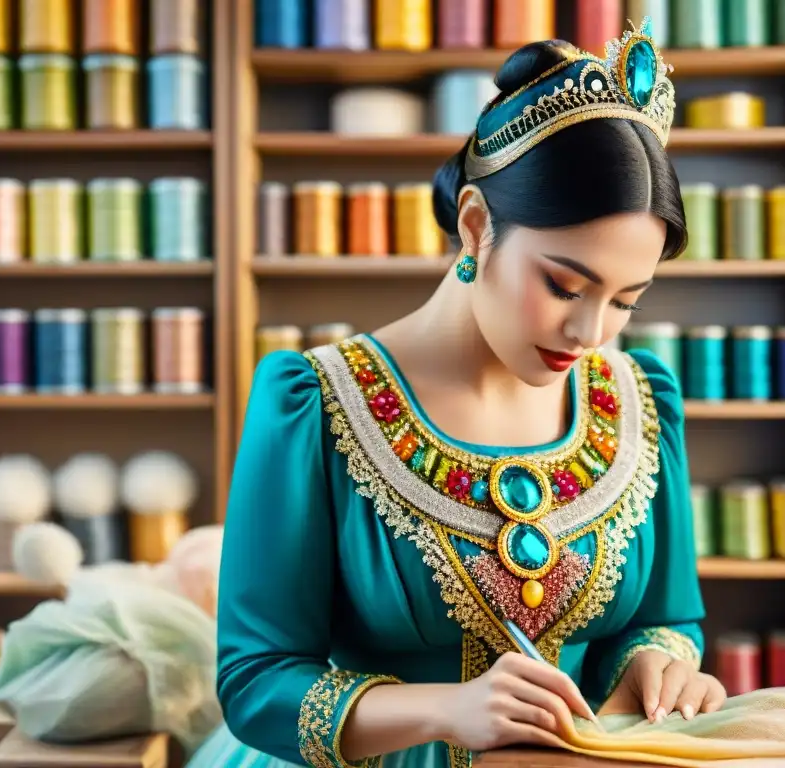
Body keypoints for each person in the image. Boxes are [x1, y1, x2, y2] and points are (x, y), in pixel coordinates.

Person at [189, 21, 726, 768]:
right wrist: (447, 709)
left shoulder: (641, 400)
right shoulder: (313, 402)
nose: (590, 331)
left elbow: (667, 619)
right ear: (476, 225)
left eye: (626, 300)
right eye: (565, 285)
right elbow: (255, 683)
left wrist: (654, 665)